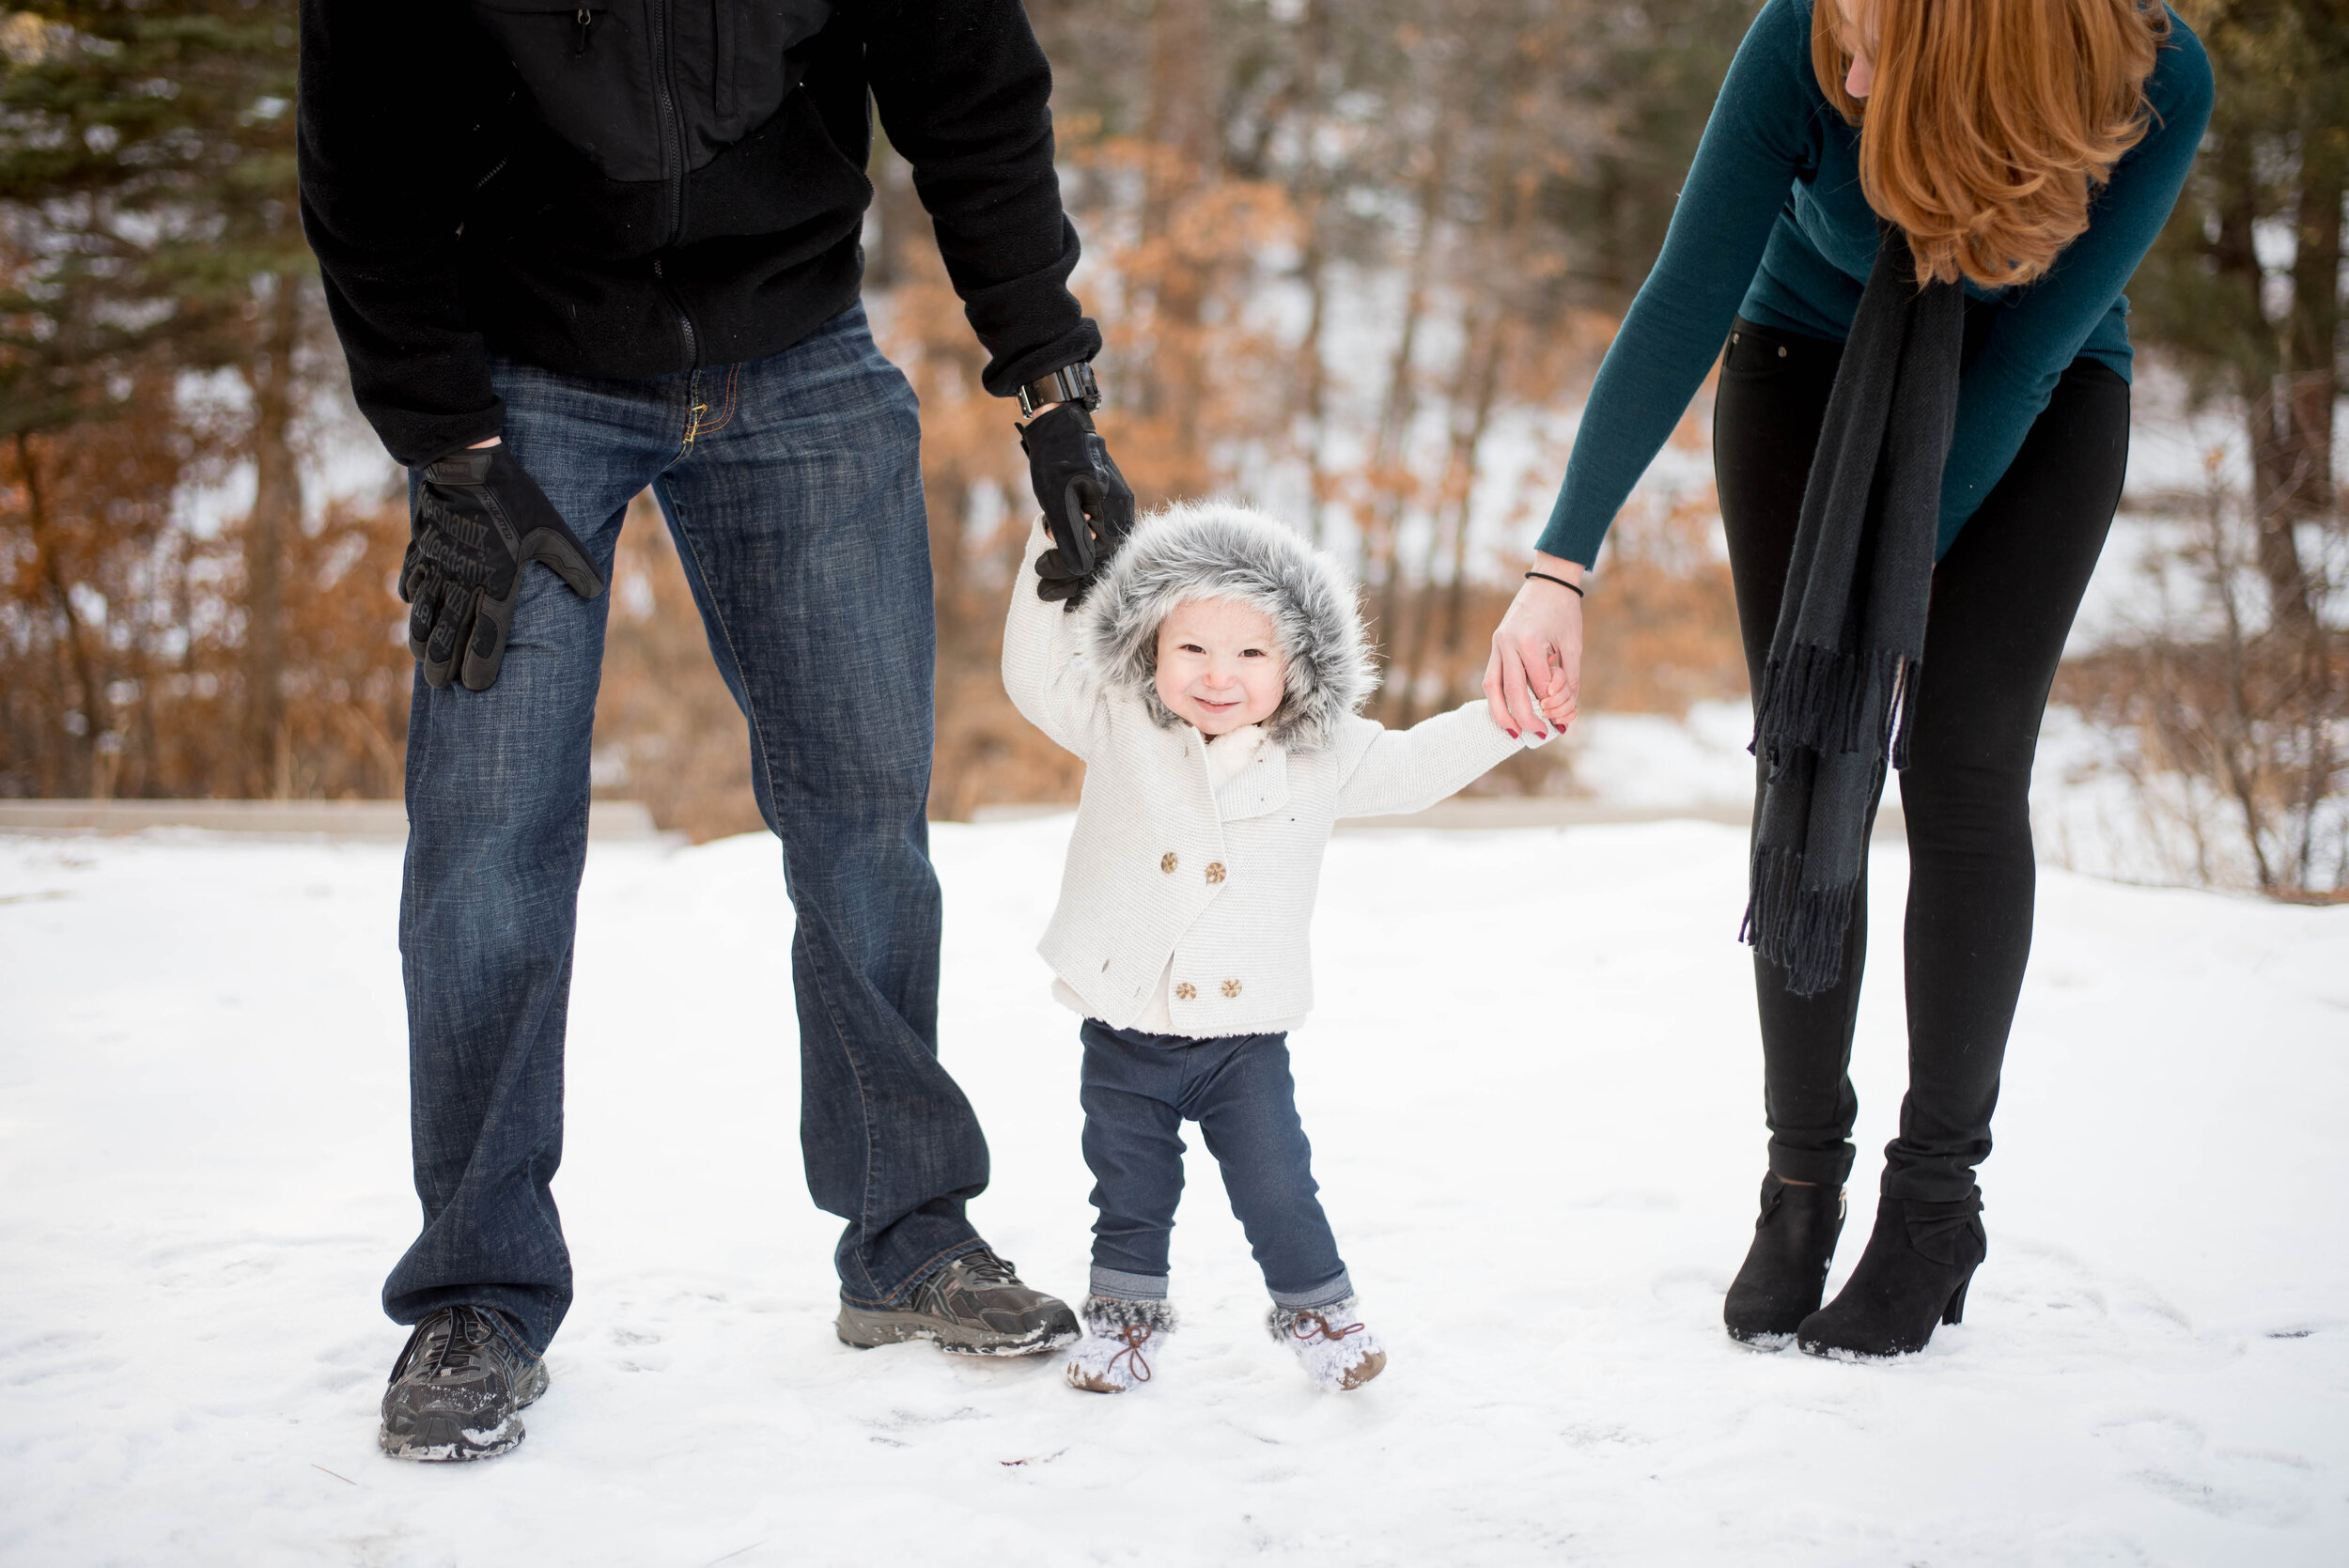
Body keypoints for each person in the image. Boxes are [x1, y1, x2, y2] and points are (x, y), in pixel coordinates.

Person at [297, 0, 1137, 1461]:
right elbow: (360, 164)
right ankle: (477, 1297)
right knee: (488, 849)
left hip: (798, 353)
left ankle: (910, 1239)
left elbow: (974, 103)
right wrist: (447, 448)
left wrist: (1053, 392)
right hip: (527, 380)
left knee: (870, 824)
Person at [1484, 0, 2210, 1358]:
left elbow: (2036, 344)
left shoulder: (2149, 76)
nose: (1854, 71)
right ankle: (1799, 1179)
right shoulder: (1805, 35)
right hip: (1802, 363)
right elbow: (1683, 292)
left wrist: (1896, 564)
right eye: (1845, 39)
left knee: (1963, 769)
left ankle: (1934, 1201)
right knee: (1809, 752)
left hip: (2031, 396)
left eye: (1890, 53)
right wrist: (1559, 564)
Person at [1002, 501, 1551, 1393]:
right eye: (1192, 650)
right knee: (1128, 1194)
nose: (1219, 676)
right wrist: (1050, 541)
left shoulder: (1321, 752)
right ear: (1148, 646)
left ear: (1298, 662)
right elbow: (1033, 673)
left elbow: (1412, 768)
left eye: (1252, 653)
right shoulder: (1119, 721)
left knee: (1279, 1189)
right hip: (1124, 1027)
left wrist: (1507, 717)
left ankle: (1323, 1317)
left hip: (1243, 1047)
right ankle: (1123, 1324)